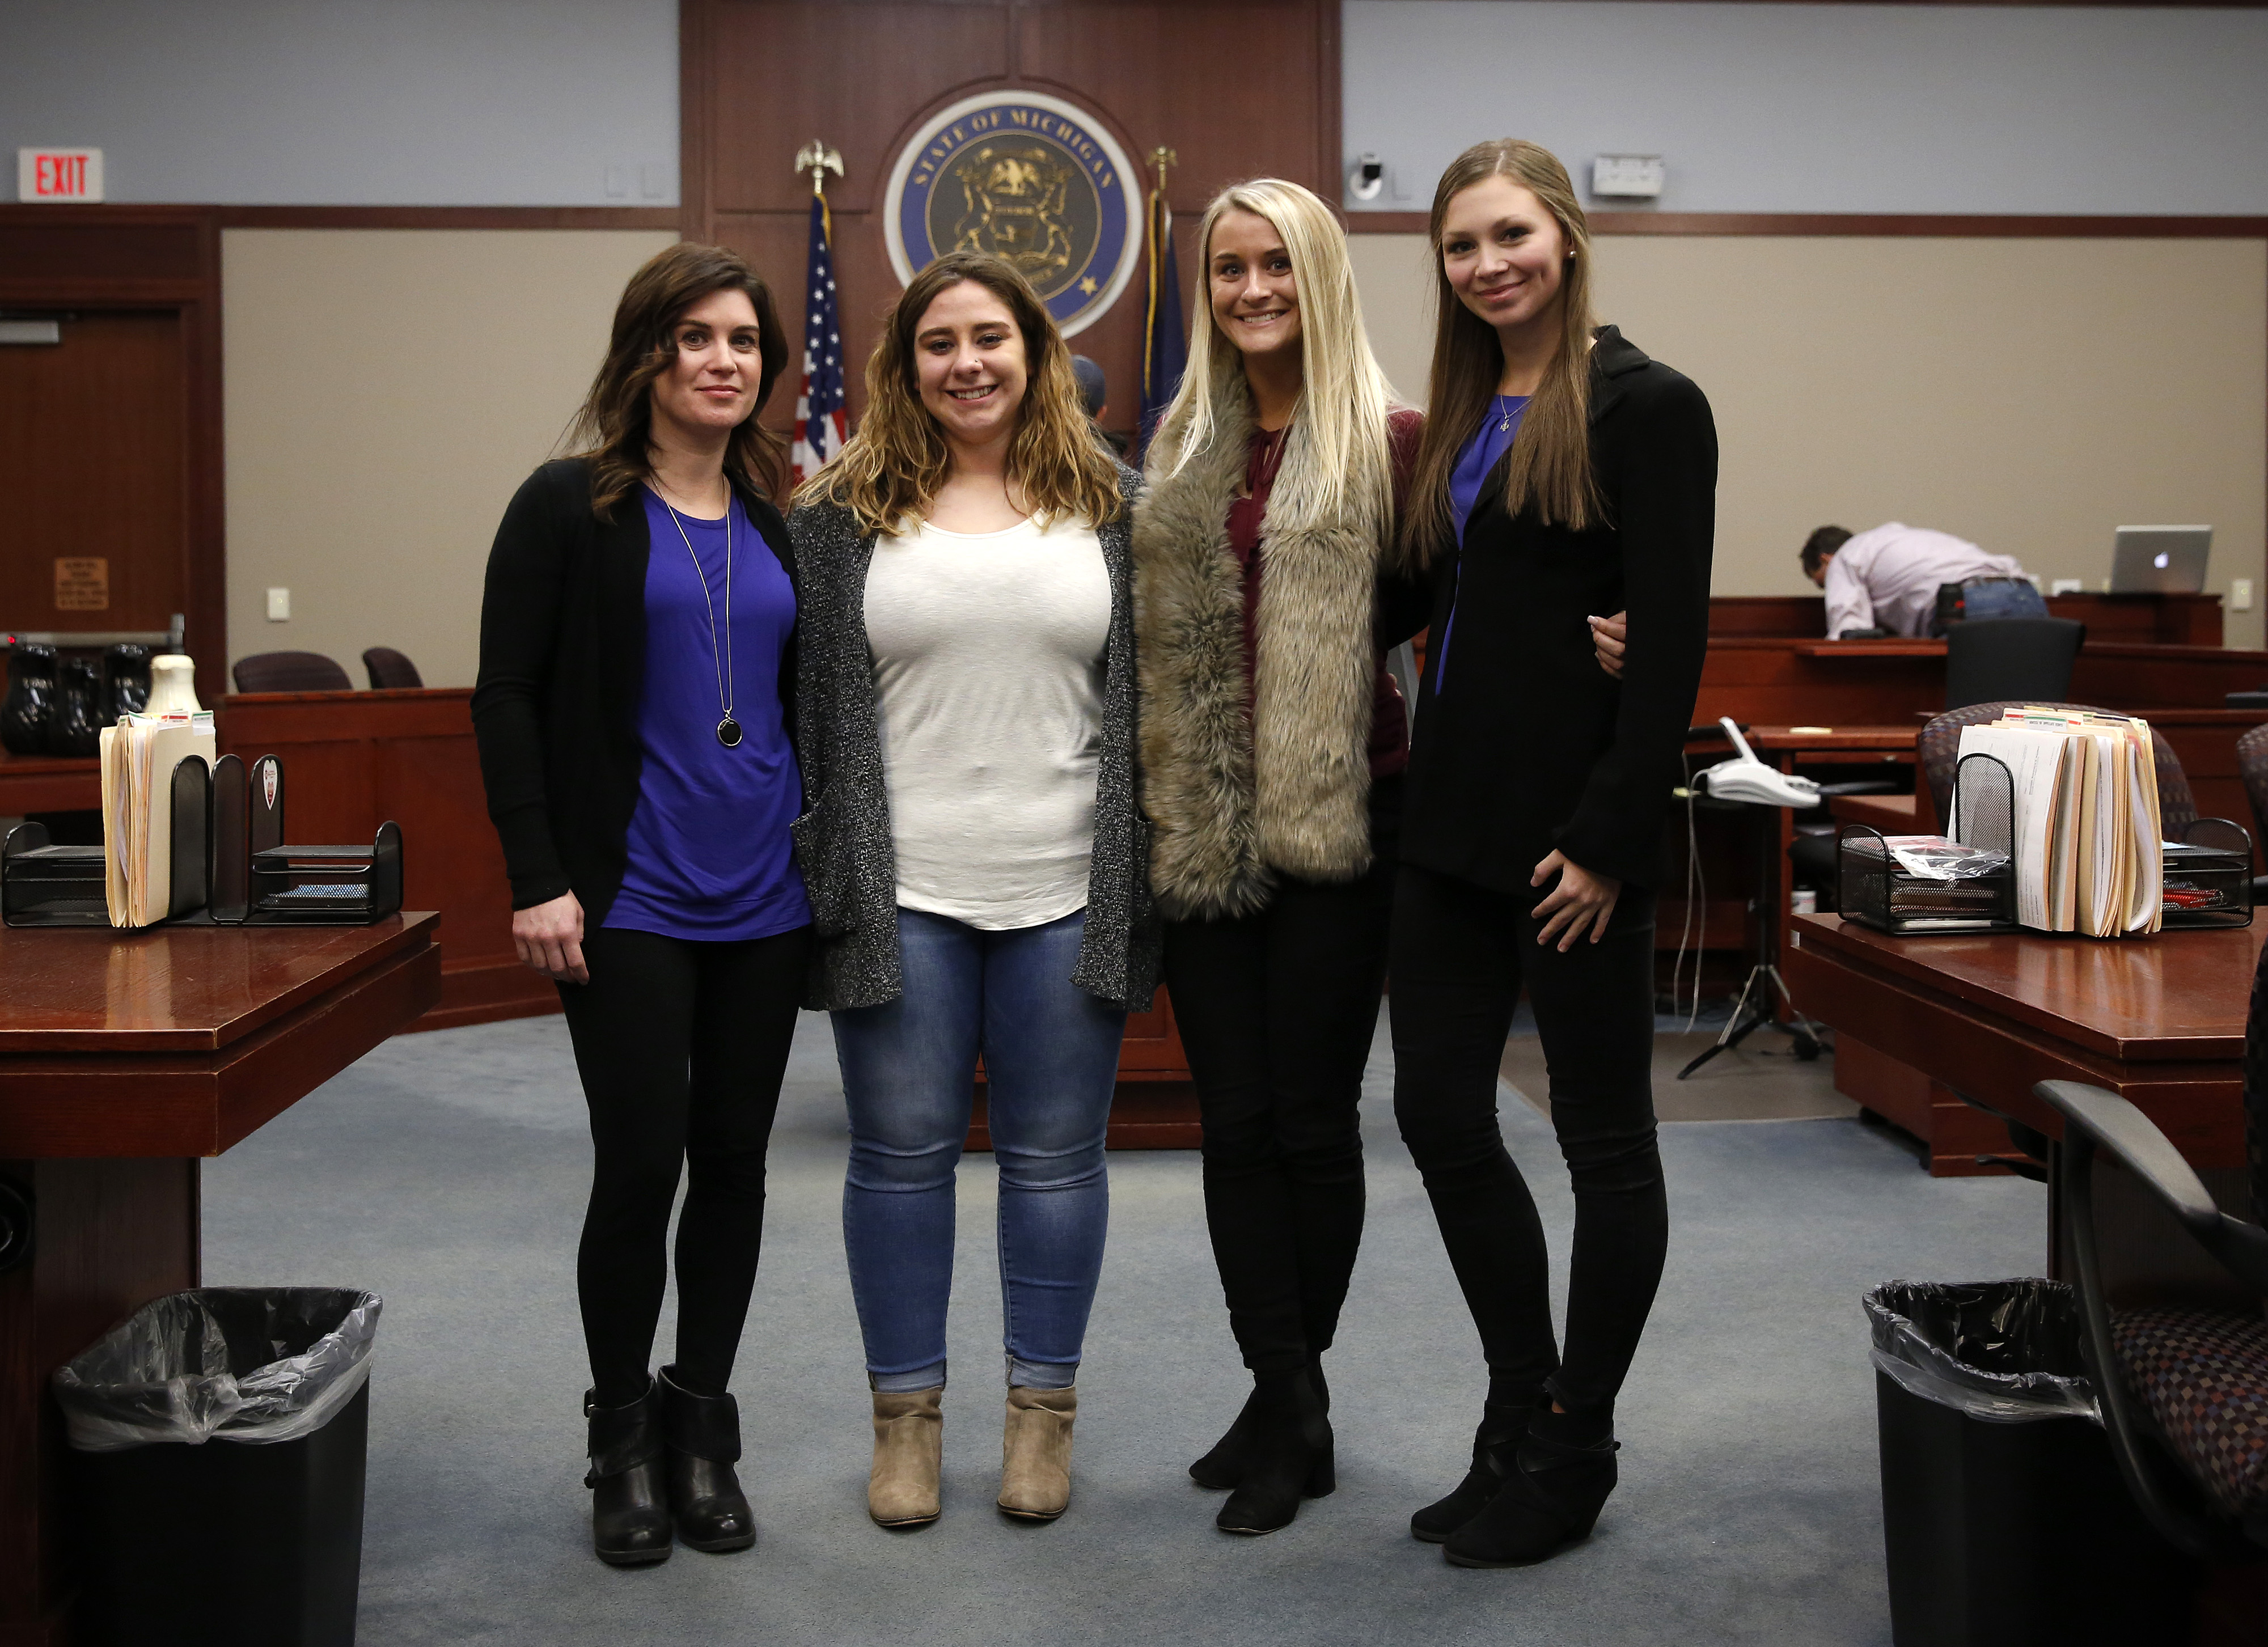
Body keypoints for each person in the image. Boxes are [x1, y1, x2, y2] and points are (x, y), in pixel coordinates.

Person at [788, 251, 1157, 1530]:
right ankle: (905, 1427)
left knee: (1056, 1166)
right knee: (898, 1162)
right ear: (903, 367)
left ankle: (1038, 1423)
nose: (967, 363)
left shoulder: (1117, 505)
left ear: (1036, 352)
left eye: (989, 337)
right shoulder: (836, 514)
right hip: (901, 895)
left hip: (1069, 884)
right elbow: (794, 707)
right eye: (938, 342)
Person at [1389, 139, 1715, 1569]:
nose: (1486, 264)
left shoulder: (1651, 404)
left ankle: (1577, 1440)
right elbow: (1417, 591)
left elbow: (1670, 640)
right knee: (1437, 1114)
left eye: (1508, 234)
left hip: (1574, 838)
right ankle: (1516, 1405)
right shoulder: (1459, 412)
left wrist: (1607, 839)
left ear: (1566, 237)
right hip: (1448, 824)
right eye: (1461, 246)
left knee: (1601, 1143)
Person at [471, 242, 811, 1566]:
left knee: (733, 1162)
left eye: (743, 342)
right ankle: (619, 1438)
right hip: (629, 896)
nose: (722, 360)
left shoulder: (777, 514)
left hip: (764, 899)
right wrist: (534, 874)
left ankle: (701, 1426)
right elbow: (504, 695)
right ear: (646, 356)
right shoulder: (567, 507)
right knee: (640, 1163)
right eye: (695, 338)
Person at [1132, 177, 1427, 1536]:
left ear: (1321, 278)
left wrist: (1611, 636)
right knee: (1231, 1124)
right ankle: (1285, 1392)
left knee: (1312, 1124)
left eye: (1277, 267)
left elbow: (1475, 617)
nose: (1251, 290)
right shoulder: (1181, 441)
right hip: (1200, 828)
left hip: (1337, 830)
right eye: (1229, 269)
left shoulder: (1391, 444)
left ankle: (1287, 1406)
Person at [1806, 521, 2041, 638]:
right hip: (2026, 595)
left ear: (1826, 559)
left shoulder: (1844, 557)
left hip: (1968, 607)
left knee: (1973, 712)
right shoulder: (1891, 538)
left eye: (1823, 584)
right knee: (2030, 708)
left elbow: (1850, 633)